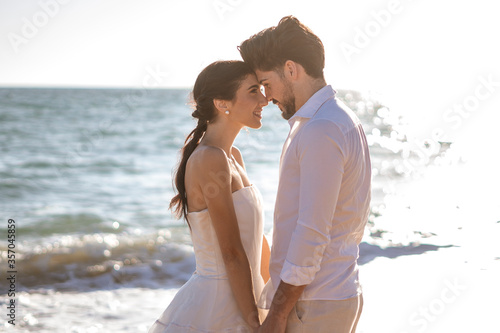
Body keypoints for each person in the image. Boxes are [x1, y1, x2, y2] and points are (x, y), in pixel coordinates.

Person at [238, 16, 372, 333]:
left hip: (314, 303)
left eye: (266, 84)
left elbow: (311, 232)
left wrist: (279, 313)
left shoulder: (321, 128)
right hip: (332, 294)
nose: (266, 97)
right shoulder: (336, 118)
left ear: (291, 69)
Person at [148, 60, 271, 333]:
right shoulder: (209, 159)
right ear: (222, 103)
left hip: (246, 297)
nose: (265, 98)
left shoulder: (233, 157)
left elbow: (257, 239)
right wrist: (252, 318)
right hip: (218, 307)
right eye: (253, 91)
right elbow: (231, 252)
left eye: (262, 89)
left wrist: (273, 299)